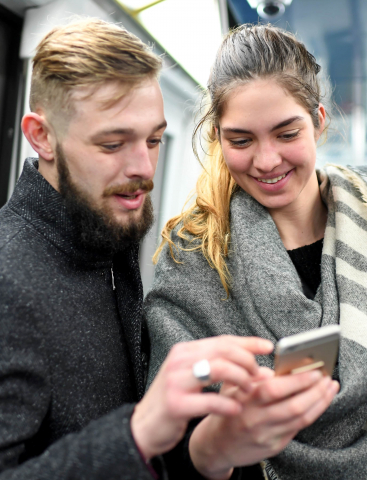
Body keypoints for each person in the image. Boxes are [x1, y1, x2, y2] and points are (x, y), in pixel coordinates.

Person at [145, 24, 367, 480]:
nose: (266, 161)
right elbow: (172, 444)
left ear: (319, 119)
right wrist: (218, 442)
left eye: (286, 134)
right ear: (218, 139)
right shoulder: (193, 257)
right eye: (241, 141)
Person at [0, 18, 275, 479]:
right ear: (41, 136)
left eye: (153, 140)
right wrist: (138, 431)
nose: (144, 167)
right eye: (113, 144)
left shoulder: (106, 242)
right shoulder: (10, 280)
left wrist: (210, 448)